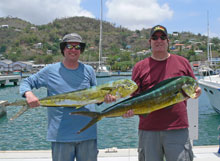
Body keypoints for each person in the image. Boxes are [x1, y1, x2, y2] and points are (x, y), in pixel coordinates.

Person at [20, 33, 115, 161]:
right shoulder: (50, 70)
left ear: (81, 50)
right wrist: (29, 94)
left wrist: (105, 99)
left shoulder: (89, 70)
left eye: (77, 47)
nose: (73, 50)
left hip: (87, 133)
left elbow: (95, 99)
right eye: (69, 46)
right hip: (61, 136)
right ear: (63, 49)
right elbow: (26, 82)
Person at [123, 25, 202, 161]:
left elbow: (194, 87)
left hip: (177, 128)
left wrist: (197, 92)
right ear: (150, 42)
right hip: (148, 129)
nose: (159, 40)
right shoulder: (139, 67)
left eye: (162, 37)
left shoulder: (183, 62)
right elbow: (133, 96)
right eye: (155, 37)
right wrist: (128, 110)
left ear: (168, 41)